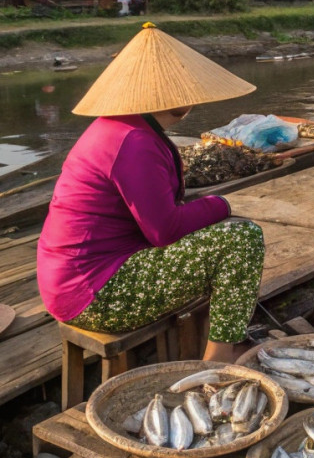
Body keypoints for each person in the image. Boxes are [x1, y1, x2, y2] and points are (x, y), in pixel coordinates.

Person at [37, 23, 264, 364]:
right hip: (95, 294)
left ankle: (218, 338)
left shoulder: (121, 125)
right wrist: (221, 204)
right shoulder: (134, 141)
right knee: (242, 238)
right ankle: (219, 359)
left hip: (79, 280)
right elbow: (165, 230)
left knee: (221, 235)